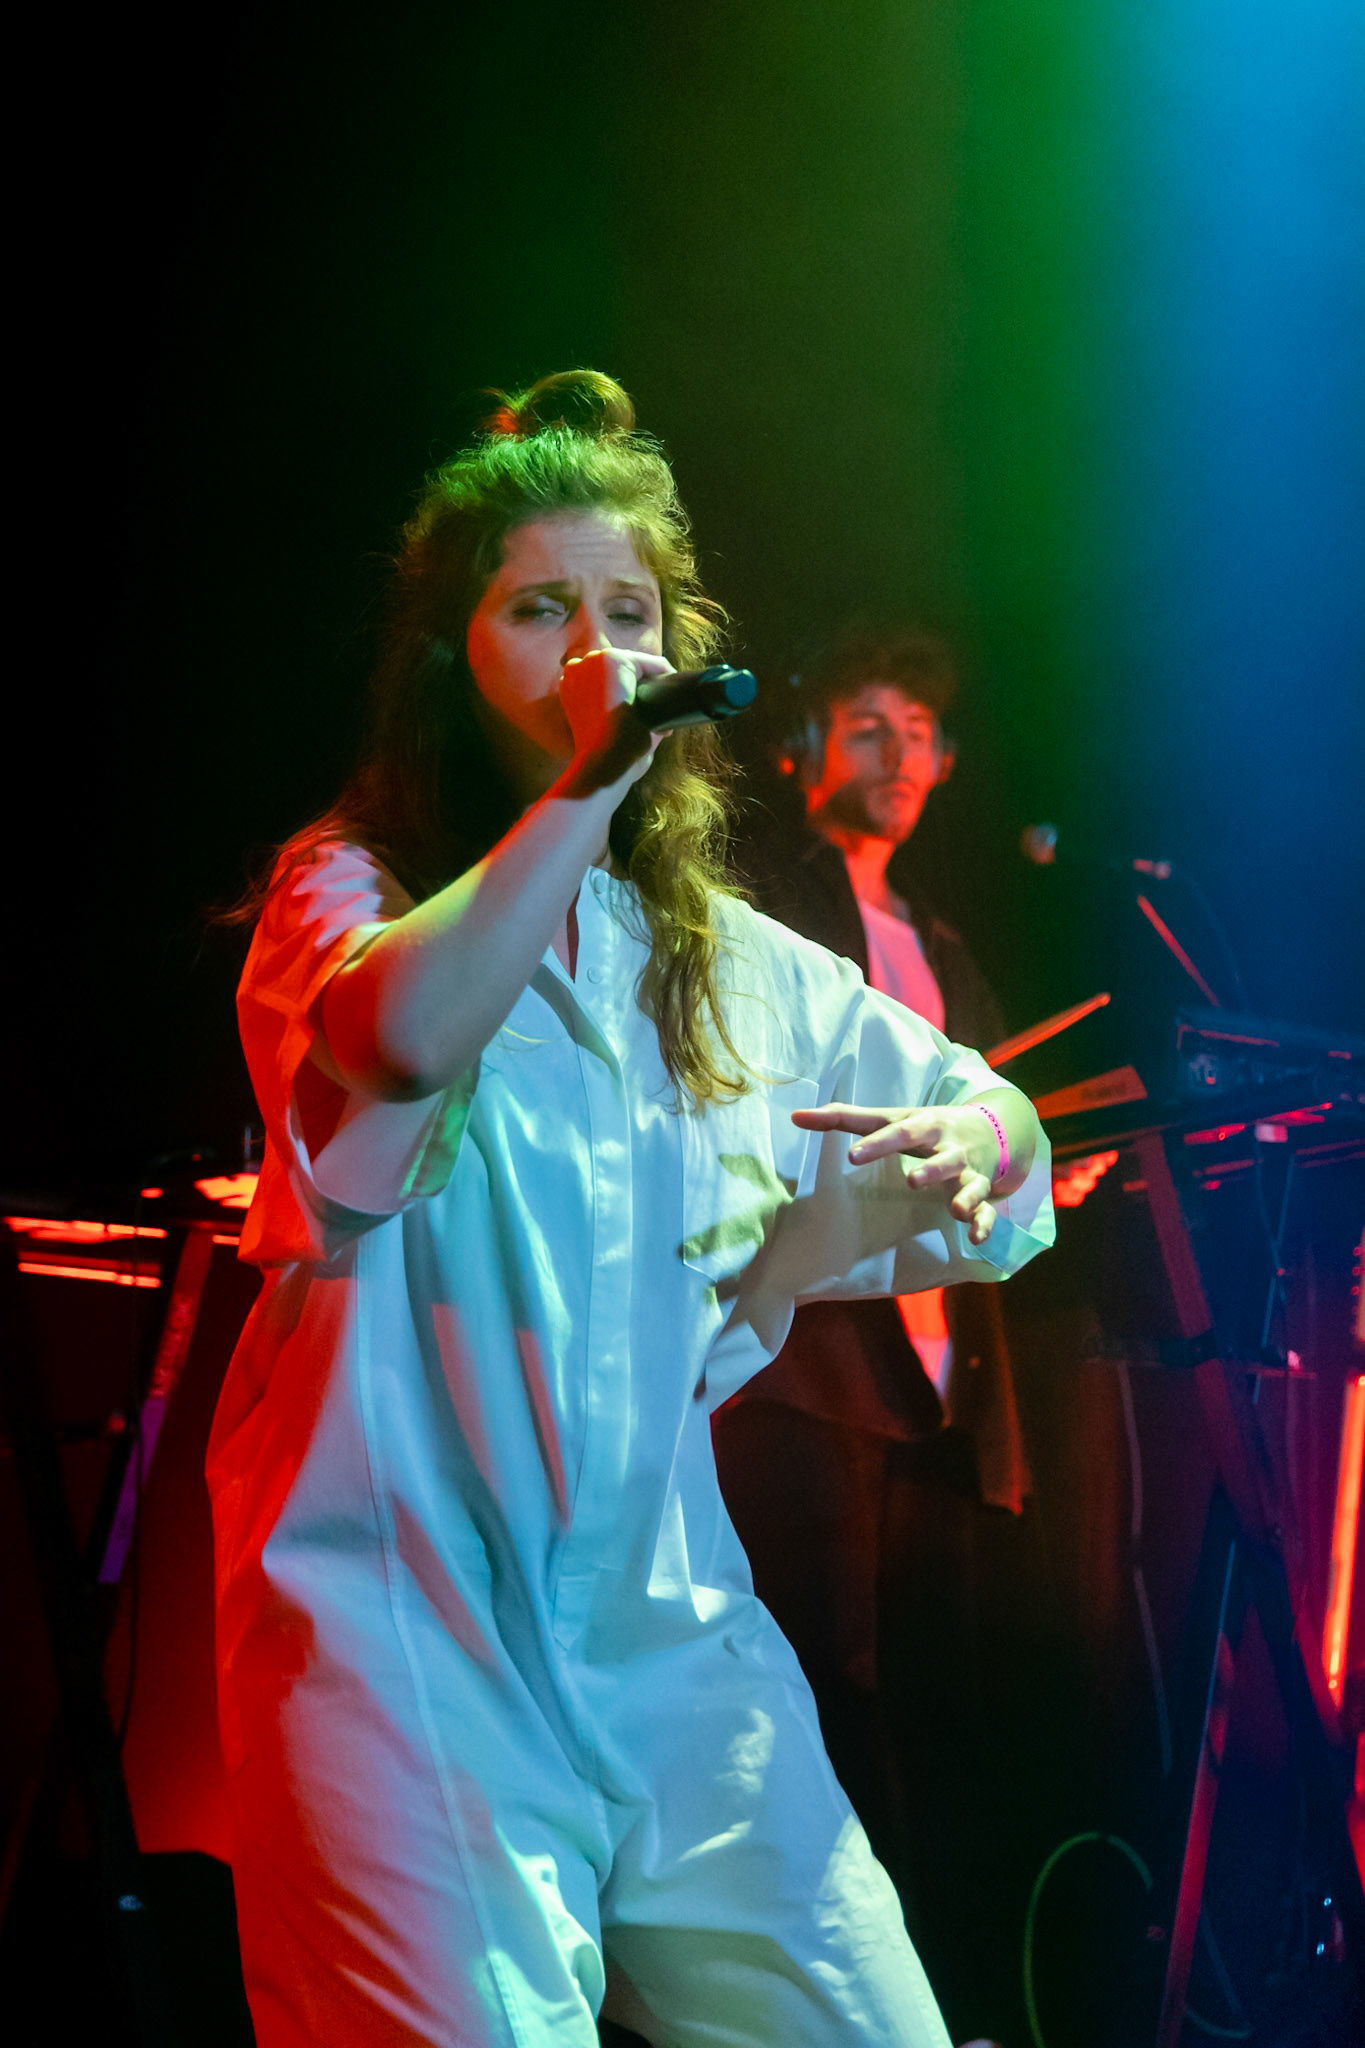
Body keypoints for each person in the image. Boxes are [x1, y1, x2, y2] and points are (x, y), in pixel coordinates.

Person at [206, 371, 1053, 2048]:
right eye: (541, 610)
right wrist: (587, 784)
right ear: (451, 656)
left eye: (629, 613)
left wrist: (985, 1133)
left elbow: (993, 1111)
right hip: (401, 1637)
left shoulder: (716, 956)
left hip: (670, 1636)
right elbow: (398, 1039)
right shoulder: (348, 888)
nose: (598, 650)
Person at [713, 629, 1030, 2039]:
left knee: (941, 1693)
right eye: (868, 726)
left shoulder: (945, 945)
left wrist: (1041, 1161)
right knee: (827, 1686)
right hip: (814, 1369)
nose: (898, 756)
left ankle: (945, 1998)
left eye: (918, 734)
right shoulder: (773, 911)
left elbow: (1004, 1138)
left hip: (943, 1377)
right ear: (803, 747)